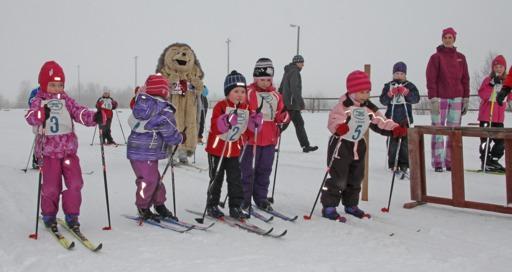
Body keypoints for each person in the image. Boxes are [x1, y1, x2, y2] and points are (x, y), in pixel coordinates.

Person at [25, 61, 103, 232]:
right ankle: (49, 215)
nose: (57, 88)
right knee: (51, 187)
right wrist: (40, 114)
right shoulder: (39, 100)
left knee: (75, 183)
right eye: (52, 85)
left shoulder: (66, 100)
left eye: (60, 85)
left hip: (68, 152)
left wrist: (93, 117)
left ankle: (72, 215)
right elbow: (30, 116)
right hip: (49, 153)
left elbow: (79, 111)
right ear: (44, 84)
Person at [320, 70, 407, 222]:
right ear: (352, 91)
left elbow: (381, 121)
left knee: (356, 177)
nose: (365, 95)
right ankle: (329, 206)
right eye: (362, 92)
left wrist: (394, 128)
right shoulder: (343, 106)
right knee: (338, 178)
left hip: (358, 145)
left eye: (367, 92)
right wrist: (339, 127)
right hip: (341, 145)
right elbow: (333, 121)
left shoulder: (368, 107)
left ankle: (351, 205)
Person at [127, 74, 185, 220]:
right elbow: (169, 131)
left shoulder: (141, 104)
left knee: (153, 179)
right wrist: (180, 138)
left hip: (139, 151)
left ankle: (159, 204)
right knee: (149, 180)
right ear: (165, 92)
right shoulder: (163, 109)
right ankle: (143, 206)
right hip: (145, 152)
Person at [204, 71, 257, 219]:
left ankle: (235, 206)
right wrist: (225, 121)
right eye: (236, 91)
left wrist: (254, 124)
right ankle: (212, 204)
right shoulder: (221, 106)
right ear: (228, 92)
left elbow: (247, 132)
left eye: (242, 91)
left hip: (234, 150)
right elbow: (215, 125)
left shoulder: (246, 108)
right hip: (217, 150)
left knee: (235, 179)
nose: (240, 95)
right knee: (217, 178)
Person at [241, 58, 290, 212]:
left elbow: (282, 116)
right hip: (251, 139)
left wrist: (284, 116)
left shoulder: (276, 95)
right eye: (261, 79)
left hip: (269, 139)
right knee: (247, 170)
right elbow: (241, 111)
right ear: (255, 78)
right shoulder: (249, 93)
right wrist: (249, 117)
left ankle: (261, 198)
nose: (265, 82)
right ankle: (244, 198)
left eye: (268, 79)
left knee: (264, 169)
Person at [426, 27, 470, 172]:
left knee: (454, 130)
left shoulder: (461, 57)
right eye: (445, 37)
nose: (447, 39)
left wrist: (466, 98)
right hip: (440, 98)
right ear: (442, 39)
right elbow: (431, 78)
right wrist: (433, 98)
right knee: (438, 129)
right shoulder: (436, 57)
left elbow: (465, 79)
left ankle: (450, 161)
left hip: (456, 97)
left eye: (450, 37)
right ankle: (438, 162)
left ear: (454, 39)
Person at [379, 62, 420, 174]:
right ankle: (393, 164)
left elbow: (415, 99)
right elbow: (383, 101)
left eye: (401, 73)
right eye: (396, 73)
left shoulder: (409, 85)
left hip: (405, 119)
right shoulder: (388, 85)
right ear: (393, 74)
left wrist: (406, 92)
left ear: (405, 74)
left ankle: (404, 164)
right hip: (391, 120)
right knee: (392, 143)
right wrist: (389, 94)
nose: (399, 76)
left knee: (405, 144)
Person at [477, 55, 511, 172]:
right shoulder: (488, 80)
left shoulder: (507, 82)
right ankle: (485, 161)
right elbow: (482, 94)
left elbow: (510, 96)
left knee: (501, 142)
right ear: (493, 68)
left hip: (498, 119)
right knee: (485, 141)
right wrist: (491, 84)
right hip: (487, 117)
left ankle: (494, 160)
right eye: (496, 66)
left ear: (504, 68)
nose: (498, 69)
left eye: (501, 66)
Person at [279, 55, 318, 153]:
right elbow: (294, 88)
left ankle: (306, 146)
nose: (303, 65)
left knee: (299, 124)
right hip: (291, 104)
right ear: (297, 63)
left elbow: (281, 87)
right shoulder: (294, 71)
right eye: (301, 63)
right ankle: (268, 142)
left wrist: (281, 99)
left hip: (289, 103)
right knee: (283, 125)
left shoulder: (288, 71)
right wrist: (301, 102)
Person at [28, 86, 41, 169]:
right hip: (38, 117)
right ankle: (36, 160)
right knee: (39, 139)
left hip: (51, 118)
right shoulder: (35, 91)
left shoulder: (53, 88)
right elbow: (30, 102)